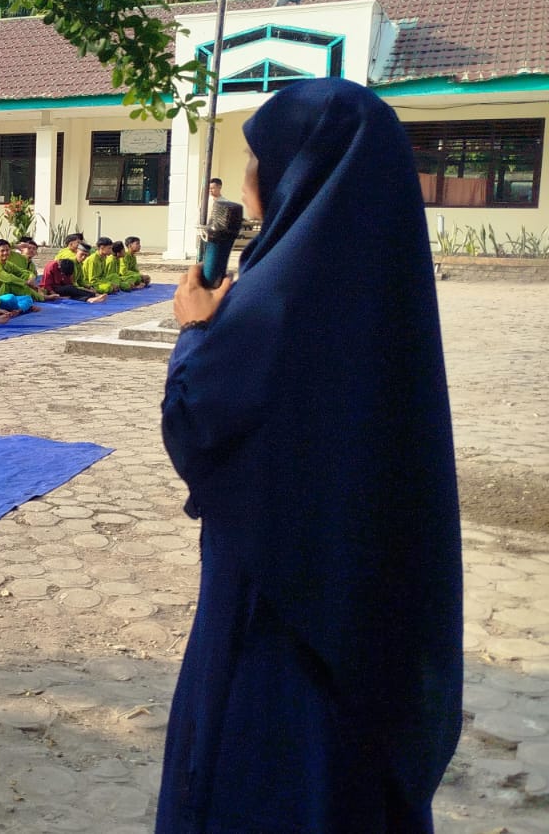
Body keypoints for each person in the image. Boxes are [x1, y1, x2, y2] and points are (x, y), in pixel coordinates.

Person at [157, 79, 461, 832]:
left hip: (277, 599)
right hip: (364, 593)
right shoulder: (382, 290)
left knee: (260, 771)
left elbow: (197, 425)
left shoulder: (272, 302)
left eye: (257, 158)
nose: (250, 180)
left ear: (294, 165)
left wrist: (196, 329)